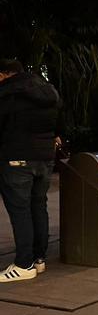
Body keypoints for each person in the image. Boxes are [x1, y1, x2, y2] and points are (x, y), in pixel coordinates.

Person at [0, 59, 61, 281]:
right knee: (38, 205)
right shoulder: (48, 92)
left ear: (3, 75)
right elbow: (58, 125)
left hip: (16, 158)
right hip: (44, 157)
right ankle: (39, 259)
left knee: (20, 210)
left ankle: (23, 264)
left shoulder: (8, 94)